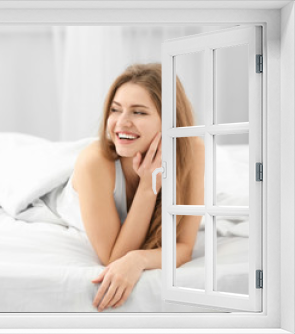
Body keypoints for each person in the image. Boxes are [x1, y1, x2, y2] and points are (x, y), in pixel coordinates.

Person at [55, 63, 205, 312]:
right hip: (57, 197)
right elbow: (114, 259)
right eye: (116, 110)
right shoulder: (95, 162)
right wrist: (148, 187)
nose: (121, 123)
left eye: (139, 112)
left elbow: (184, 247)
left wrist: (140, 259)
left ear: (169, 121)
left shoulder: (192, 150)